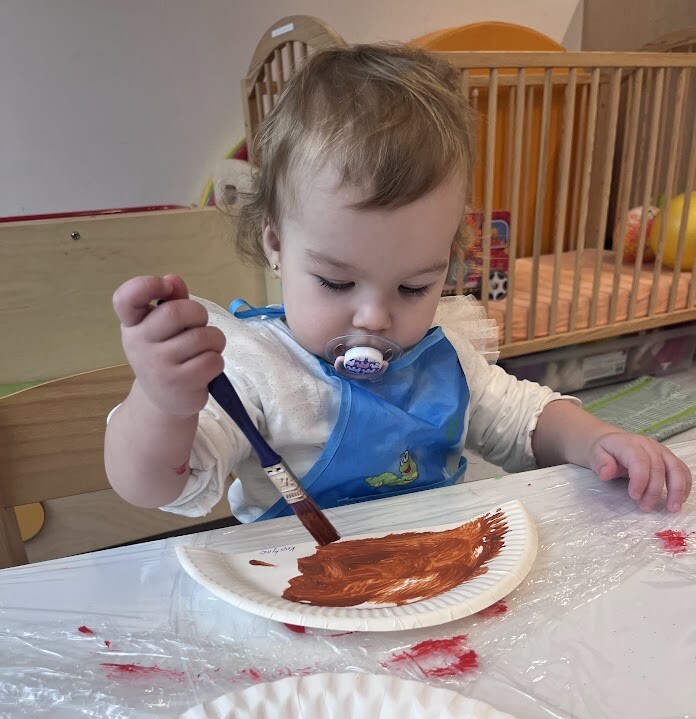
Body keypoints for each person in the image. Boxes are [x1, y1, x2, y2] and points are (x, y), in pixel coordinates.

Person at [105, 44, 691, 523]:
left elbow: (526, 421)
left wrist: (597, 441)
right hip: (301, 584)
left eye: (413, 288)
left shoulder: (443, 358)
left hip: (440, 571)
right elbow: (156, 486)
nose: (375, 318)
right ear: (276, 245)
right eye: (336, 282)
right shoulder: (255, 372)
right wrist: (162, 404)